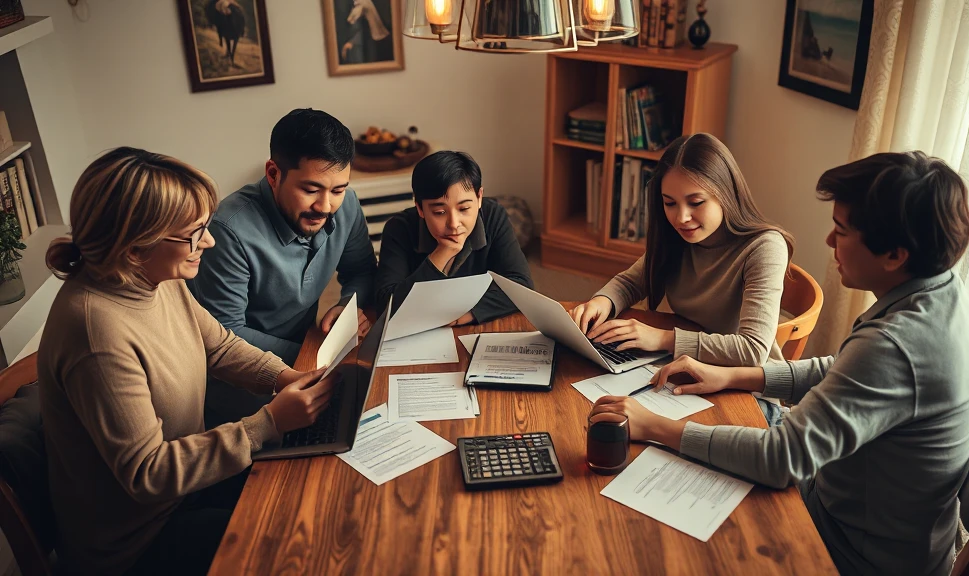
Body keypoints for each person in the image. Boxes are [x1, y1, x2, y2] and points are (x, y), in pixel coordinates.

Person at [589, 151, 969, 576]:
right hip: (850, 507)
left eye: (841, 230)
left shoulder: (895, 346)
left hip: (854, 551)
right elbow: (841, 367)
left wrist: (654, 427)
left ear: (894, 256)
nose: (829, 242)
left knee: (650, 539)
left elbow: (780, 459)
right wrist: (734, 375)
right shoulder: (941, 293)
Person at [37, 147, 334, 576]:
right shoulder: (95, 332)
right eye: (195, 233)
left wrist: (288, 377)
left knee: (311, 489)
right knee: (298, 541)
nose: (209, 242)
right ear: (137, 244)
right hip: (138, 542)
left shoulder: (152, 279)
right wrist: (267, 423)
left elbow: (219, 347)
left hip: (188, 491)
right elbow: (148, 474)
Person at [571, 133, 792, 422]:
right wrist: (602, 301)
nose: (681, 217)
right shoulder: (677, 236)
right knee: (600, 413)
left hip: (747, 395)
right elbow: (630, 282)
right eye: (670, 203)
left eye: (696, 202)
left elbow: (751, 351)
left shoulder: (764, 247)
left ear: (726, 194)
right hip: (686, 373)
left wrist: (662, 338)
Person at [189, 108, 376, 425]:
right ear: (273, 174)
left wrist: (347, 304)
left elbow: (362, 270)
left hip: (309, 369)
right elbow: (224, 332)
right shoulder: (227, 230)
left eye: (338, 190)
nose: (326, 207)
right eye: (310, 189)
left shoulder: (346, 204)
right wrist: (312, 354)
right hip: (241, 399)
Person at [374, 150, 533, 324]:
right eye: (439, 212)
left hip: (471, 324)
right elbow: (384, 307)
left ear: (479, 197)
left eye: (464, 209)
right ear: (420, 208)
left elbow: (522, 287)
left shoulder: (493, 215)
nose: (454, 223)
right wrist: (440, 255)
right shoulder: (399, 228)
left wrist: (468, 313)